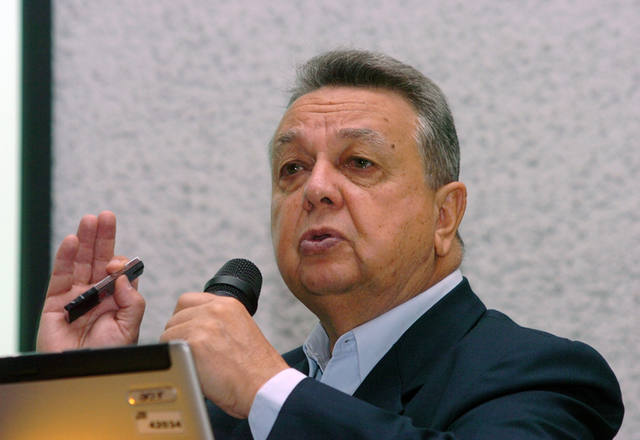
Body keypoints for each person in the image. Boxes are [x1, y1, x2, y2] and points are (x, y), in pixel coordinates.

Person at [36, 50, 624, 439]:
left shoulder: (545, 376)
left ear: (445, 215)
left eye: (359, 162)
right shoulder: (222, 404)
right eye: (292, 168)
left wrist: (267, 389)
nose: (315, 188)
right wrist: (83, 390)